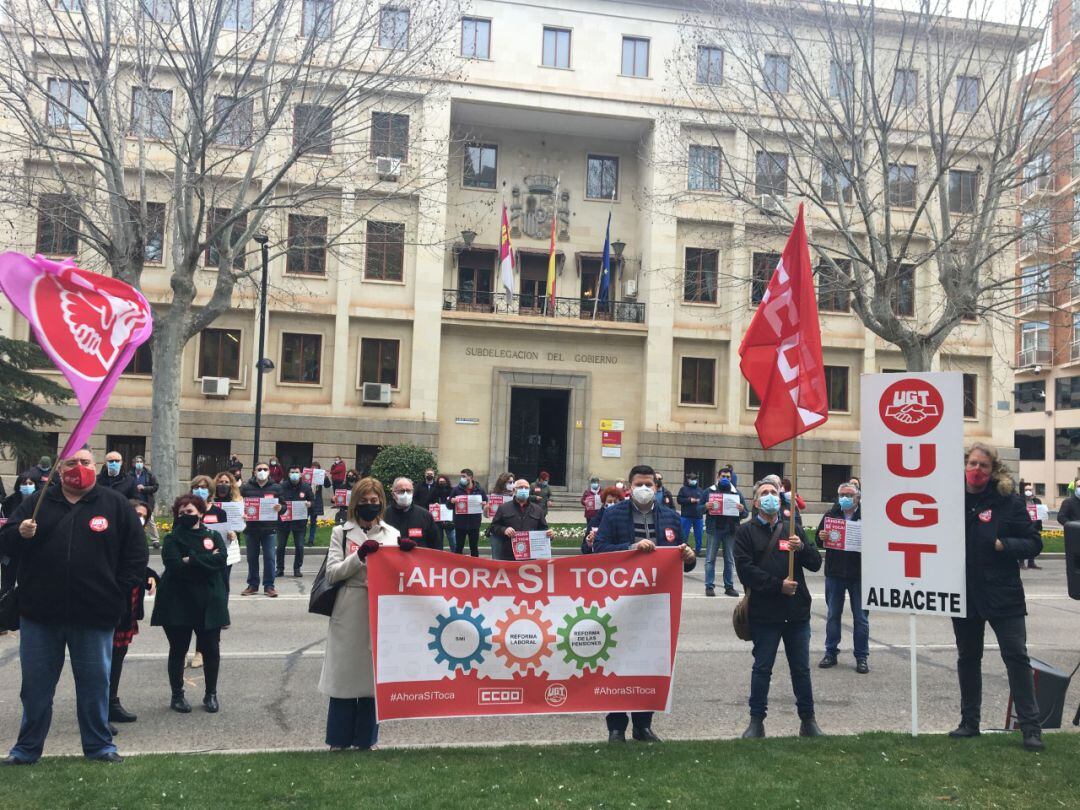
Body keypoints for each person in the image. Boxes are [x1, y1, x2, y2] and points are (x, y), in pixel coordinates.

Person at [0, 446, 147, 765]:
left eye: (84, 462)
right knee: (36, 689)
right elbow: (6, 544)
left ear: (94, 467)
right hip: (40, 615)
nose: (78, 468)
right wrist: (18, 532)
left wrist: (116, 592)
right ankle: (26, 750)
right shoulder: (36, 503)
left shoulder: (115, 505)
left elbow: (136, 556)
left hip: (94, 615)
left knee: (95, 685)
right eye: (71, 463)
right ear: (58, 469)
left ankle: (99, 747)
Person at [950, 443, 1044, 751]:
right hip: (965, 592)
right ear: (965, 465)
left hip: (1003, 594)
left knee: (1016, 657)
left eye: (983, 466)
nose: (977, 470)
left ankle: (1031, 728)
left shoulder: (1009, 502)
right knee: (967, 658)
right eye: (973, 464)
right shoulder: (952, 499)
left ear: (993, 471)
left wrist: (1006, 544)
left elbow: (1033, 542)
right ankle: (969, 722)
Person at [594, 464, 695, 743]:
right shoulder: (613, 515)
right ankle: (616, 726)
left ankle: (643, 724)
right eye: (639, 484)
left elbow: (682, 559)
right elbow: (599, 549)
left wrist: (688, 556)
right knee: (615, 661)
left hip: (656, 606)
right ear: (629, 487)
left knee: (649, 663)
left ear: (656, 487)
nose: (644, 489)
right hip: (619, 603)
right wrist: (630, 548)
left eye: (649, 484)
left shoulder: (671, 518)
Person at [319, 478, 413, 751]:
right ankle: (338, 739)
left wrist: (407, 555)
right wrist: (359, 555)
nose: (370, 506)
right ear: (355, 503)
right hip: (349, 605)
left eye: (374, 501)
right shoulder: (342, 533)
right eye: (364, 501)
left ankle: (366, 739)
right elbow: (333, 573)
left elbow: (400, 575)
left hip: (379, 608)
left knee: (372, 676)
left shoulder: (390, 533)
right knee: (345, 674)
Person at [734, 478, 823, 739]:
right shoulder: (745, 532)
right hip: (765, 613)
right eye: (765, 493)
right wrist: (777, 586)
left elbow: (816, 564)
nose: (770, 496)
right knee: (762, 668)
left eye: (774, 492)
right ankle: (756, 722)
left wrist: (803, 547)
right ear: (756, 502)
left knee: (801, 670)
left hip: (796, 613)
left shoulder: (792, 528)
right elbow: (745, 570)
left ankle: (808, 721)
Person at [151, 495, 229, 714]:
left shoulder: (213, 535)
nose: (185, 515)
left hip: (209, 601)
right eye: (182, 512)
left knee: (211, 649)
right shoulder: (171, 539)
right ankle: (177, 695)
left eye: (190, 511)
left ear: (201, 513)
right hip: (178, 601)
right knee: (178, 649)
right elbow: (175, 566)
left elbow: (221, 560)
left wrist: (191, 558)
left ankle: (211, 694)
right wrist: (204, 559)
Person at [109, 500, 160, 728]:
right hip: (110, 606)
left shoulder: (137, 539)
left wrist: (150, 575)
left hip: (128, 607)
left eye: (143, 515)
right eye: (135, 513)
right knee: (102, 660)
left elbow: (136, 566)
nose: (139, 518)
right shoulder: (111, 536)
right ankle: (99, 708)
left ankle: (111, 702)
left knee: (118, 657)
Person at [816, 482, 869, 674]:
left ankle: (862, 656)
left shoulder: (867, 516)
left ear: (858, 498)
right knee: (833, 615)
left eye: (849, 495)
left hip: (860, 575)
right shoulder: (831, 515)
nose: (845, 498)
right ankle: (831, 652)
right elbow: (818, 540)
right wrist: (821, 536)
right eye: (842, 495)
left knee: (861, 619)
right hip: (835, 573)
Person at [240, 461, 283, 597]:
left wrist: (281, 508)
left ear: (269, 472)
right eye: (259, 469)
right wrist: (242, 513)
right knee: (252, 558)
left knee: (270, 558)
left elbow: (284, 505)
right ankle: (253, 585)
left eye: (265, 469)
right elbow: (239, 504)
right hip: (251, 529)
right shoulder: (246, 488)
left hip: (269, 530)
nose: (262, 471)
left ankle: (269, 586)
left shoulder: (276, 488)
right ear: (254, 472)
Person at [704, 465, 745, 597]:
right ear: (718, 477)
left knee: (729, 560)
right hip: (714, 529)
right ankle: (709, 586)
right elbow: (698, 508)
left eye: (728, 477)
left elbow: (745, 513)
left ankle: (729, 586)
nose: (726, 479)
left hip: (730, 531)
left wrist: (741, 510)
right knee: (710, 559)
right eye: (723, 477)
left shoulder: (736, 493)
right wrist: (705, 506)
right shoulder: (709, 491)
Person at [489, 479, 552, 560]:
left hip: (530, 557)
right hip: (509, 555)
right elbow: (493, 527)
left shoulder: (538, 509)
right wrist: (504, 529)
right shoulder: (503, 508)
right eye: (521, 487)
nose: (524, 490)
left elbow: (544, 528)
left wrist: (549, 534)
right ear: (514, 490)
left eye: (526, 488)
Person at [210, 472, 244, 596]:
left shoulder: (237, 502)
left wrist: (242, 519)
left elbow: (240, 527)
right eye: (220, 482)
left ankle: (223, 604)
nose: (223, 484)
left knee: (224, 577)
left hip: (229, 543)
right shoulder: (210, 501)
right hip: (210, 542)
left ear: (231, 485)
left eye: (226, 482)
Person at [384, 477, 441, 550]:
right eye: (401, 491)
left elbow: (436, 545)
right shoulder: (384, 516)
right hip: (393, 560)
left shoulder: (425, 515)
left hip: (419, 560)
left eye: (408, 491)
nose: (405, 494)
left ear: (413, 492)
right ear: (393, 494)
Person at [277, 465, 314, 578]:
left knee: (299, 546)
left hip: (299, 522)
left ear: (300, 474)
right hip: (284, 521)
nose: (294, 474)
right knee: (281, 546)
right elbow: (276, 500)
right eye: (292, 472)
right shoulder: (282, 486)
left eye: (296, 472)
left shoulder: (306, 487)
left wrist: (310, 504)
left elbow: (313, 501)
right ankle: (279, 569)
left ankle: (297, 568)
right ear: (288, 474)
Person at [451, 468, 487, 557]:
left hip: (474, 524)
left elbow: (486, 504)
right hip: (460, 523)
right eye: (461, 476)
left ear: (470, 477)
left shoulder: (480, 490)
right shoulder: (456, 490)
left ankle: (475, 566)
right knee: (459, 547)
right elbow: (449, 506)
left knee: (474, 547)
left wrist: (484, 504)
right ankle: (457, 565)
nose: (461, 478)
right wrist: (452, 501)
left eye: (464, 476)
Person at [580, 486, 622, 553]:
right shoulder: (595, 521)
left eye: (616, 502)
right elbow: (584, 549)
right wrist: (590, 543)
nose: (613, 504)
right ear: (604, 502)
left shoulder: (624, 519)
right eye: (610, 502)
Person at [677, 472, 708, 556]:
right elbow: (679, 500)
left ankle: (698, 551)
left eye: (695, 479)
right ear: (688, 480)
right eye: (692, 479)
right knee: (684, 534)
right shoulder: (683, 489)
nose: (693, 481)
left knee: (699, 535)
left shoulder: (700, 490)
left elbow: (704, 502)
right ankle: (684, 550)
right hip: (686, 515)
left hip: (698, 516)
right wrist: (689, 500)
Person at [1019, 482, 1042, 570]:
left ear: (1033, 491)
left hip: (1035, 525)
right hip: (1024, 525)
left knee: (1033, 543)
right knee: (1023, 544)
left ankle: (1031, 562)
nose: (1028, 491)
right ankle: (1021, 562)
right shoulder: (1020, 500)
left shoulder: (1037, 501)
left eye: (1030, 490)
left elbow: (1040, 512)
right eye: (1026, 490)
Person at [431, 474, 456, 551]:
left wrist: (452, 502)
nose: (442, 483)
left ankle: (455, 555)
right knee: (438, 539)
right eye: (440, 482)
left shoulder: (452, 491)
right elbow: (430, 501)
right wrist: (434, 504)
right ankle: (440, 555)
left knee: (452, 538)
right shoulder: (434, 491)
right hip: (438, 518)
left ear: (447, 482)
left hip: (449, 518)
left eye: (443, 481)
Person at [307, 463, 325, 548]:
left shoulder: (320, 479)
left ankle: (311, 540)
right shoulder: (307, 477)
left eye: (316, 468)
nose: (314, 469)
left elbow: (328, 485)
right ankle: (301, 539)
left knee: (313, 522)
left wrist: (326, 477)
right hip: (307, 502)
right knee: (303, 522)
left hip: (316, 502)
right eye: (312, 467)